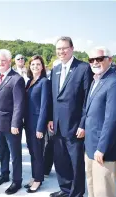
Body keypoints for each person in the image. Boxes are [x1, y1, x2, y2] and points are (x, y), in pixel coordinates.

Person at [47, 36, 93, 197]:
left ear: (72, 48)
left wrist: (83, 124)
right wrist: (50, 118)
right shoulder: (56, 69)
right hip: (57, 124)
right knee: (60, 160)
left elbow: (87, 99)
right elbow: (53, 97)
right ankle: (65, 189)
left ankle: (77, 193)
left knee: (76, 162)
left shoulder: (83, 68)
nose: (61, 51)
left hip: (75, 126)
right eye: (58, 49)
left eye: (64, 48)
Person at [85, 47, 116, 197]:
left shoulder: (115, 83)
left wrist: (102, 148)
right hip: (91, 147)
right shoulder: (96, 80)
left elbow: (113, 119)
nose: (95, 62)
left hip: (105, 151)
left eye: (99, 59)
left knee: (103, 192)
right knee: (92, 188)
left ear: (109, 60)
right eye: (91, 60)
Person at [0, 49, 25, 195]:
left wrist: (15, 124)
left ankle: (17, 181)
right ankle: (4, 174)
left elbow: (19, 104)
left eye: (3, 60)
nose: (0, 63)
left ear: (9, 61)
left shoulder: (16, 79)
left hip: (11, 125)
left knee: (15, 154)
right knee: (2, 152)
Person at [24, 55, 50, 193]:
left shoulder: (44, 82)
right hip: (28, 123)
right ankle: (35, 176)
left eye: (38, 64)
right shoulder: (29, 82)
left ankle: (38, 180)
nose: (35, 67)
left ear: (42, 66)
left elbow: (45, 106)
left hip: (37, 124)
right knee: (32, 152)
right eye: (33, 64)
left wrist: (41, 127)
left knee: (38, 153)